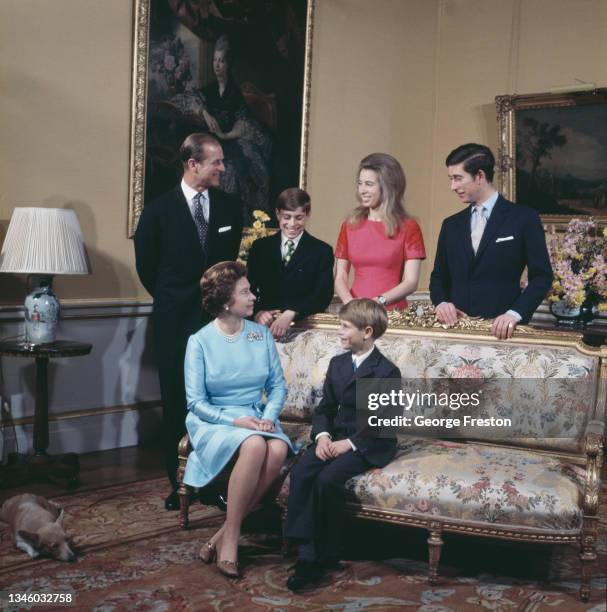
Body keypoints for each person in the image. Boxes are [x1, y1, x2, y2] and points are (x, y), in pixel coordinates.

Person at [134, 133, 243, 511]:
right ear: (193, 164)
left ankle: (212, 481)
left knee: (214, 401)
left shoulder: (230, 208)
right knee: (179, 400)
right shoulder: (157, 210)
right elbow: (147, 269)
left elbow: (227, 264)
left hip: (217, 323)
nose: (223, 168)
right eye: (217, 161)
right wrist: (174, 300)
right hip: (173, 322)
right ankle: (179, 484)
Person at [183, 261, 294, 578]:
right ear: (226, 300)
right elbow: (195, 402)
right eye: (245, 292)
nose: (253, 296)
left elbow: (276, 386)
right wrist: (237, 423)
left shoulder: (260, 335)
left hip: (257, 416)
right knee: (257, 446)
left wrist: (269, 417)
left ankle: (222, 535)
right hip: (215, 420)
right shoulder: (199, 341)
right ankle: (231, 540)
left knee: (277, 449)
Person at [283, 298, 401, 591]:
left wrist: (349, 444)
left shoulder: (386, 371)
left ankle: (323, 553)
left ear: (367, 332)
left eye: (346, 327)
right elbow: (325, 409)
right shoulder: (338, 364)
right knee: (301, 472)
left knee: (327, 479)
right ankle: (306, 548)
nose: (340, 332)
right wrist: (322, 437)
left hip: (370, 443)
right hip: (333, 438)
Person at [429, 143, 553, 339]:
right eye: (451, 179)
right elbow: (438, 278)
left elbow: (542, 276)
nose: (453, 186)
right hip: (455, 332)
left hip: (502, 334)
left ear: (479, 176)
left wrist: (515, 313)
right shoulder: (450, 225)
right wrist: (442, 303)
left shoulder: (524, 218)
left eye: (458, 178)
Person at [334, 153, 426, 311]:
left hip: (391, 313)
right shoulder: (349, 225)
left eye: (369, 184)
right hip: (355, 312)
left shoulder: (409, 227)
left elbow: (411, 281)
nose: (362, 190)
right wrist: (351, 304)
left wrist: (379, 301)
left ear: (388, 187)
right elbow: (340, 276)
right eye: (360, 183)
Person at [199, 35, 271, 222]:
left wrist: (225, 134)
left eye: (221, 61)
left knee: (231, 169)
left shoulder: (236, 92)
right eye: (215, 60)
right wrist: (205, 113)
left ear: (228, 64)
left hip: (232, 141)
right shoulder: (209, 89)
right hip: (212, 143)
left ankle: (231, 220)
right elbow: (194, 101)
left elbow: (243, 122)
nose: (217, 65)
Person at [247, 187, 334, 338]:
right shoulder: (260, 247)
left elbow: (322, 295)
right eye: (287, 217)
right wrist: (258, 312)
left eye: (298, 217)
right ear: (277, 214)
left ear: (307, 214)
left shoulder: (322, 251)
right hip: (264, 328)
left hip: (304, 331)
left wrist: (292, 312)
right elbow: (249, 288)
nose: (292, 224)